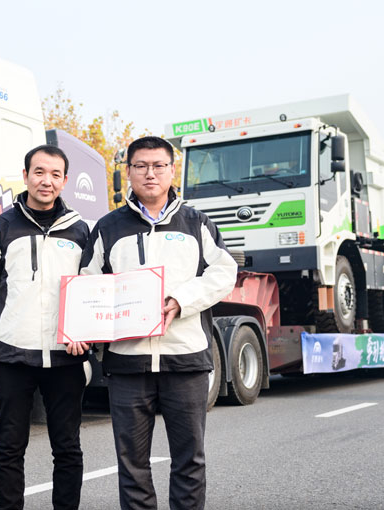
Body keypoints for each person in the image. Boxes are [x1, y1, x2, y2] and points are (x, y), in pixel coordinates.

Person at [80, 136, 238, 510]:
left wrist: (182, 300)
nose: (150, 173)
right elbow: (88, 282)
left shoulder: (196, 223)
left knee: (189, 459)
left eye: (158, 166)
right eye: (141, 166)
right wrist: (84, 328)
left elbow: (224, 272)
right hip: (127, 363)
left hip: (185, 359)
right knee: (132, 464)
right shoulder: (108, 227)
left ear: (171, 170)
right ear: (128, 172)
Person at [0, 144, 92, 510]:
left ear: (65, 180)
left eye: (55, 174)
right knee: (9, 447)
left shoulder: (81, 231)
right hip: (12, 356)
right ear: (25, 176)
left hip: (66, 356)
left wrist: (85, 335)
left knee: (67, 448)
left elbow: (92, 291)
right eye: (39, 172)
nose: (46, 181)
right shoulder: (0, 227)